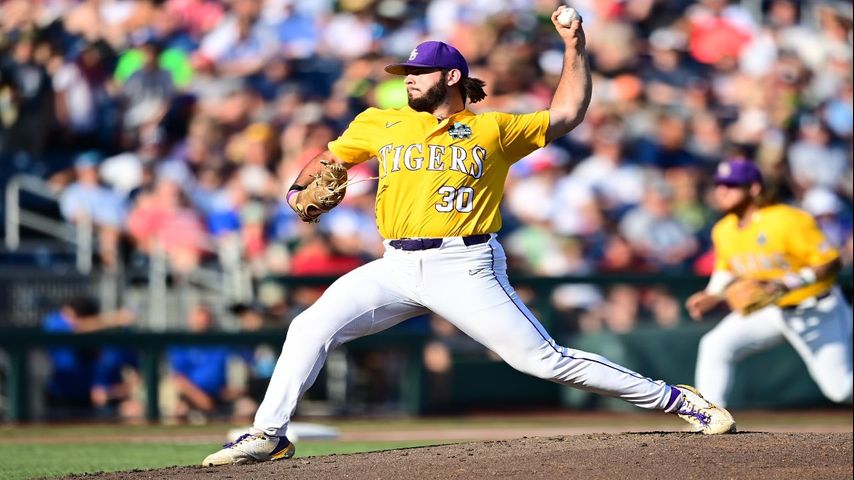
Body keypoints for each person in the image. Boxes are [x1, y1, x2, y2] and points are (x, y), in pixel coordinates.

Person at [203, 7, 735, 467]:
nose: (408, 78)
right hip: (395, 265)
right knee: (308, 327)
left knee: (540, 360)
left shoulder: (493, 129)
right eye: (405, 71)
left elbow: (568, 113)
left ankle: (676, 399)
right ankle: (268, 435)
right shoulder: (378, 122)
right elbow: (327, 160)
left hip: (466, 264)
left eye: (419, 71)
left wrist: (575, 47)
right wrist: (299, 190)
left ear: (452, 76)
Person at [685, 159, 853, 407]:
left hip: (816, 309)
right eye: (719, 184)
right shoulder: (724, 229)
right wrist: (713, 294)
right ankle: (709, 414)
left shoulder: (788, 219)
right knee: (714, 345)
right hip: (772, 309)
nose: (722, 190)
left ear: (754, 188)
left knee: (840, 390)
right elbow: (726, 268)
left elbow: (831, 261)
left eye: (731, 184)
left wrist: (789, 282)